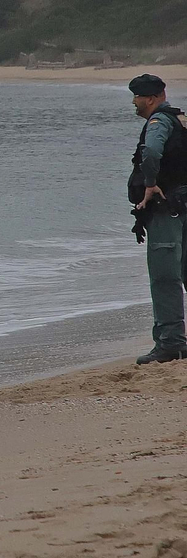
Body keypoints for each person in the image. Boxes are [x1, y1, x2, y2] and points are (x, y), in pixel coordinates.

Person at [126, 74, 187, 364]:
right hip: (183, 205)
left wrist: (150, 184)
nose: (134, 102)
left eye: (137, 97)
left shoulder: (159, 123)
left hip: (166, 209)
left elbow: (151, 151)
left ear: (150, 98)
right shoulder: (181, 119)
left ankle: (171, 343)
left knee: (164, 277)